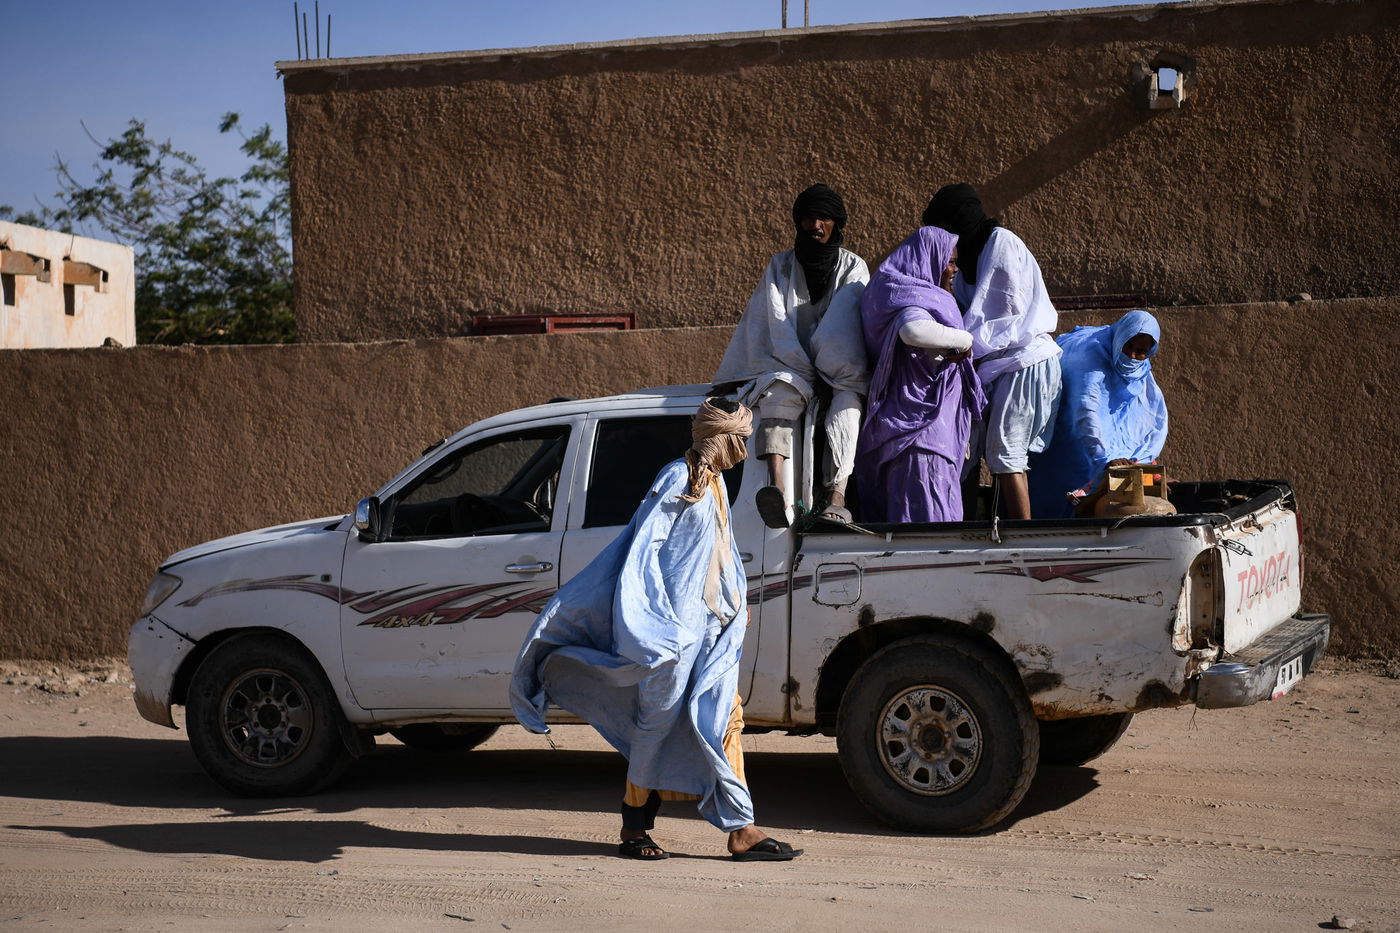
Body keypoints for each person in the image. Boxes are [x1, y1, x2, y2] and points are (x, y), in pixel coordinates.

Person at [510, 398, 803, 862]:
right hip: (673, 635)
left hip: (712, 629)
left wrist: (734, 601)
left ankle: (741, 829)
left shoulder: (717, 484)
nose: (744, 452)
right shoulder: (677, 479)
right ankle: (634, 829)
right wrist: (656, 627)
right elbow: (642, 552)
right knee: (658, 726)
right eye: (739, 441)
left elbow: (719, 550)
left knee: (725, 718)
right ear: (718, 439)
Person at [712, 183, 869, 526]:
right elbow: (774, 323)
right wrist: (802, 368)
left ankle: (836, 497)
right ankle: (777, 488)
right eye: (809, 218)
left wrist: (828, 370)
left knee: (847, 410)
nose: (816, 225)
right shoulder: (780, 266)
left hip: (840, 371)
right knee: (778, 395)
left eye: (823, 218)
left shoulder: (853, 267)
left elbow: (841, 331)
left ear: (836, 223)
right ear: (798, 223)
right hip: (789, 363)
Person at [922, 183, 1061, 519]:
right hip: (997, 365)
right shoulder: (967, 259)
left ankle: (1023, 540)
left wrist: (958, 342)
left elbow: (1002, 314)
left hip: (1022, 362)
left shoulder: (1001, 243)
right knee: (970, 449)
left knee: (1005, 453)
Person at [855, 226, 988, 523]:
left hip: (922, 435)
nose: (955, 269)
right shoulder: (913, 299)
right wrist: (964, 340)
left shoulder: (916, 297)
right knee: (929, 528)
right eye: (950, 261)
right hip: (921, 435)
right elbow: (912, 330)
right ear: (929, 261)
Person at [1028, 310, 1169, 519]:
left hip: (1101, 449)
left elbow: (1149, 416)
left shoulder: (1141, 369)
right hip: (1068, 441)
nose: (1131, 355)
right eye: (1128, 346)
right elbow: (1086, 412)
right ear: (1119, 338)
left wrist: (1145, 462)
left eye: (1140, 351)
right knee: (1063, 509)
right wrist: (1105, 460)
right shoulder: (1091, 358)